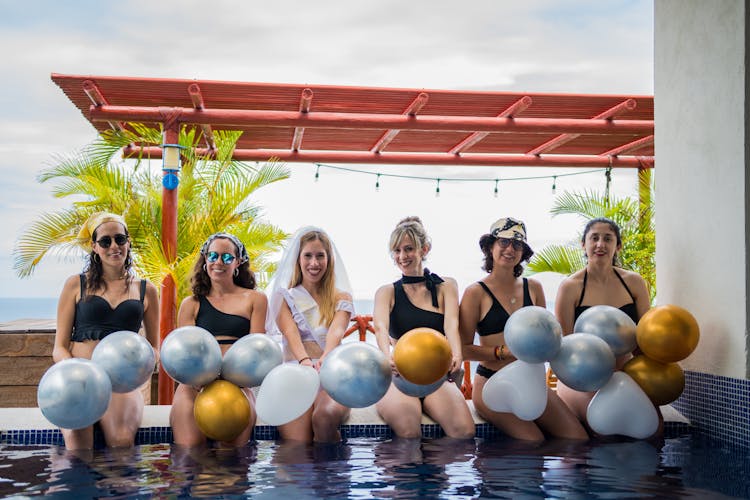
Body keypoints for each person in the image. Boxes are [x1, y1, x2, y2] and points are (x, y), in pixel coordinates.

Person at [459, 217, 588, 441]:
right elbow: (462, 349)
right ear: (491, 247)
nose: (510, 249)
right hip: (492, 383)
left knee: (577, 438)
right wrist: (502, 353)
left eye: (517, 245)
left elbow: (546, 337)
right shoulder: (475, 293)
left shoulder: (534, 288)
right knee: (533, 441)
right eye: (504, 242)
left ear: (523, 252)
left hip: (531, 381)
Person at [53, 212, 160, 450]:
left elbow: (154, 346)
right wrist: (74, 372)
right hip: (80, 380)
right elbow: (59, 347)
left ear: (128, 242)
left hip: (122, 383)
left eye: (120, 239)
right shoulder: (75, 284)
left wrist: (141, 368)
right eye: (105, 241)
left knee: (121, 444)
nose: (114, 246)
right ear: (94, 247)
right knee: (78, 450)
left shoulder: (147, 290)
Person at [373, 216, 475, 439]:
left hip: (435, 377)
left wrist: (457, 355)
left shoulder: (446, 286)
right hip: (398, 376)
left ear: (424, 249)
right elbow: (380, 328)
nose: (402, 256)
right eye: (397, 250)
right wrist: (386, 355)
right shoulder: (386, 292)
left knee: (464, 432)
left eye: (408, 249)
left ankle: (434, 473)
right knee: (409, 432)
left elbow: (452, 324)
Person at [170, 232, 268, 447]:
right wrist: (202, 381)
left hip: (237, 385)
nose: (218, 263)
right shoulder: (191, 303)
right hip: (195, 386)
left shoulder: (255, 300)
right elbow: (187, 355)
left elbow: (256, 352)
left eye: (226, 257)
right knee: (190, 453)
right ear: (205, 260)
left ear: (238, 262)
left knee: (233, 461)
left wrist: (230, 379)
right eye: (213, 256)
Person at [554, 217, 651, 426]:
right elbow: (565, 345)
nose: (600, 244)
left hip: (625, 374)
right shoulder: (570, 287)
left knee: (653, 428)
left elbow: (646, 338)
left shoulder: (634, 283)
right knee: (601, 426)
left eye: (608, 239)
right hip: (581, 377)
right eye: (594, 238)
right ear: (584, 244)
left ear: (618, 246)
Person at [266, 227, 354, 443]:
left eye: (320, 256)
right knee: (298, 446)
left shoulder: (341, 298)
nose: (314, 263)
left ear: (329, 259)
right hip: (296, 374)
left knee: (324, 418)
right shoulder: (284, 297)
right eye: (308, 255)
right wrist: (305, 362)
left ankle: (333, 474)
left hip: (331, 374)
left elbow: (337, 331)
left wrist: (326, 358)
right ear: (298, 259)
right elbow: (290, 333)